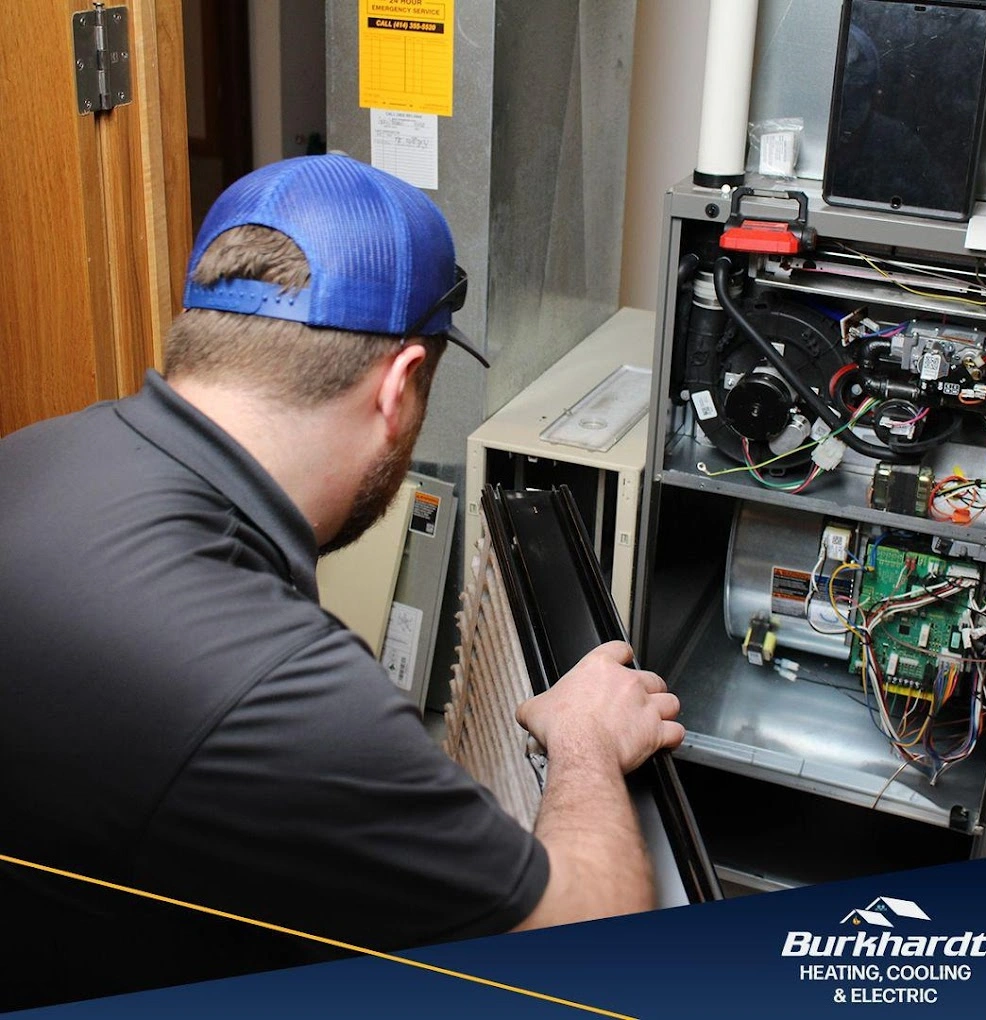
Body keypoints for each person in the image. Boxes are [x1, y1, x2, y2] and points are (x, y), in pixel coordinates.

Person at [0, 153, 684, 1009]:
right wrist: (583, 738)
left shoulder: (34, 455)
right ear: (400, 388)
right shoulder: (280, 686)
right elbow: (592, 938)